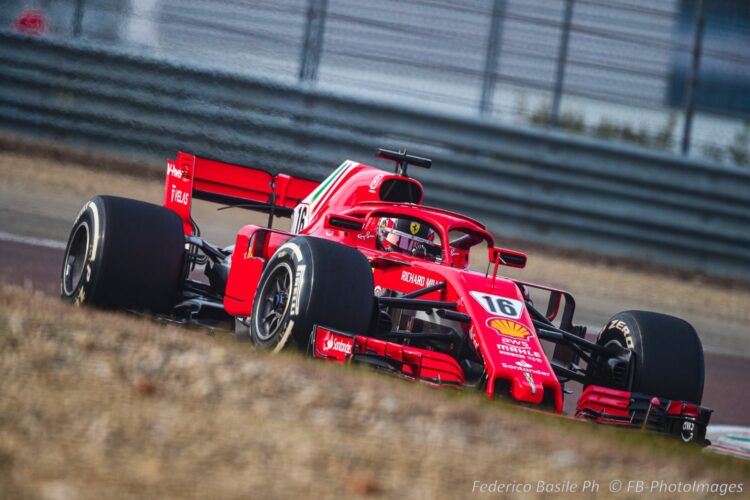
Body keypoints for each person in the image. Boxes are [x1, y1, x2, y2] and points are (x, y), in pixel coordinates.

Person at [376, 217, 441, 260]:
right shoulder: (375, 256)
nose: (405, 252)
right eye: (401, 242)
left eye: (414, 246)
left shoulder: (429, 262)